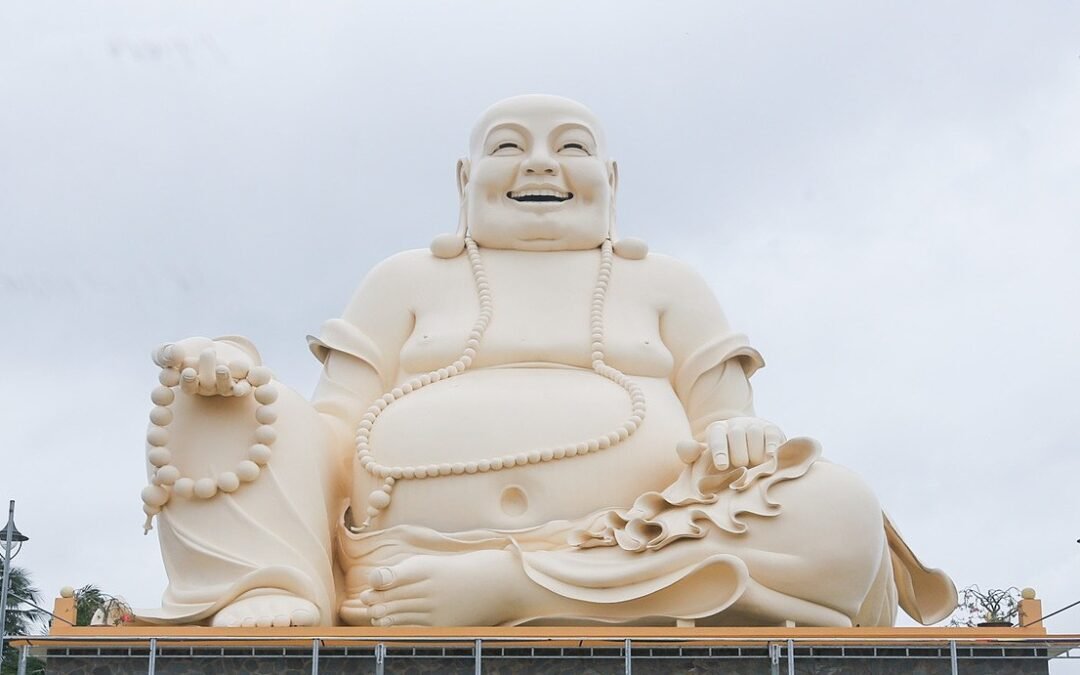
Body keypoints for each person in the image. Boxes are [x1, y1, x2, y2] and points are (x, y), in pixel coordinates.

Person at [138, 95, 956, 628]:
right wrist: (235, 371)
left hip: (637, 546)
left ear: (611, 179)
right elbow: (330, 427)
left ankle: (522, 586)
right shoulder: (404, 280)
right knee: (223, 400)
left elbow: (728, 424)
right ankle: (272, 584)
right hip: (396, 558)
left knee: (841, 507)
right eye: (507, 146)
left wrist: (738, 436)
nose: (538, 162)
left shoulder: (665, 283)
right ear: (466, 179)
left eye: (570, 146)